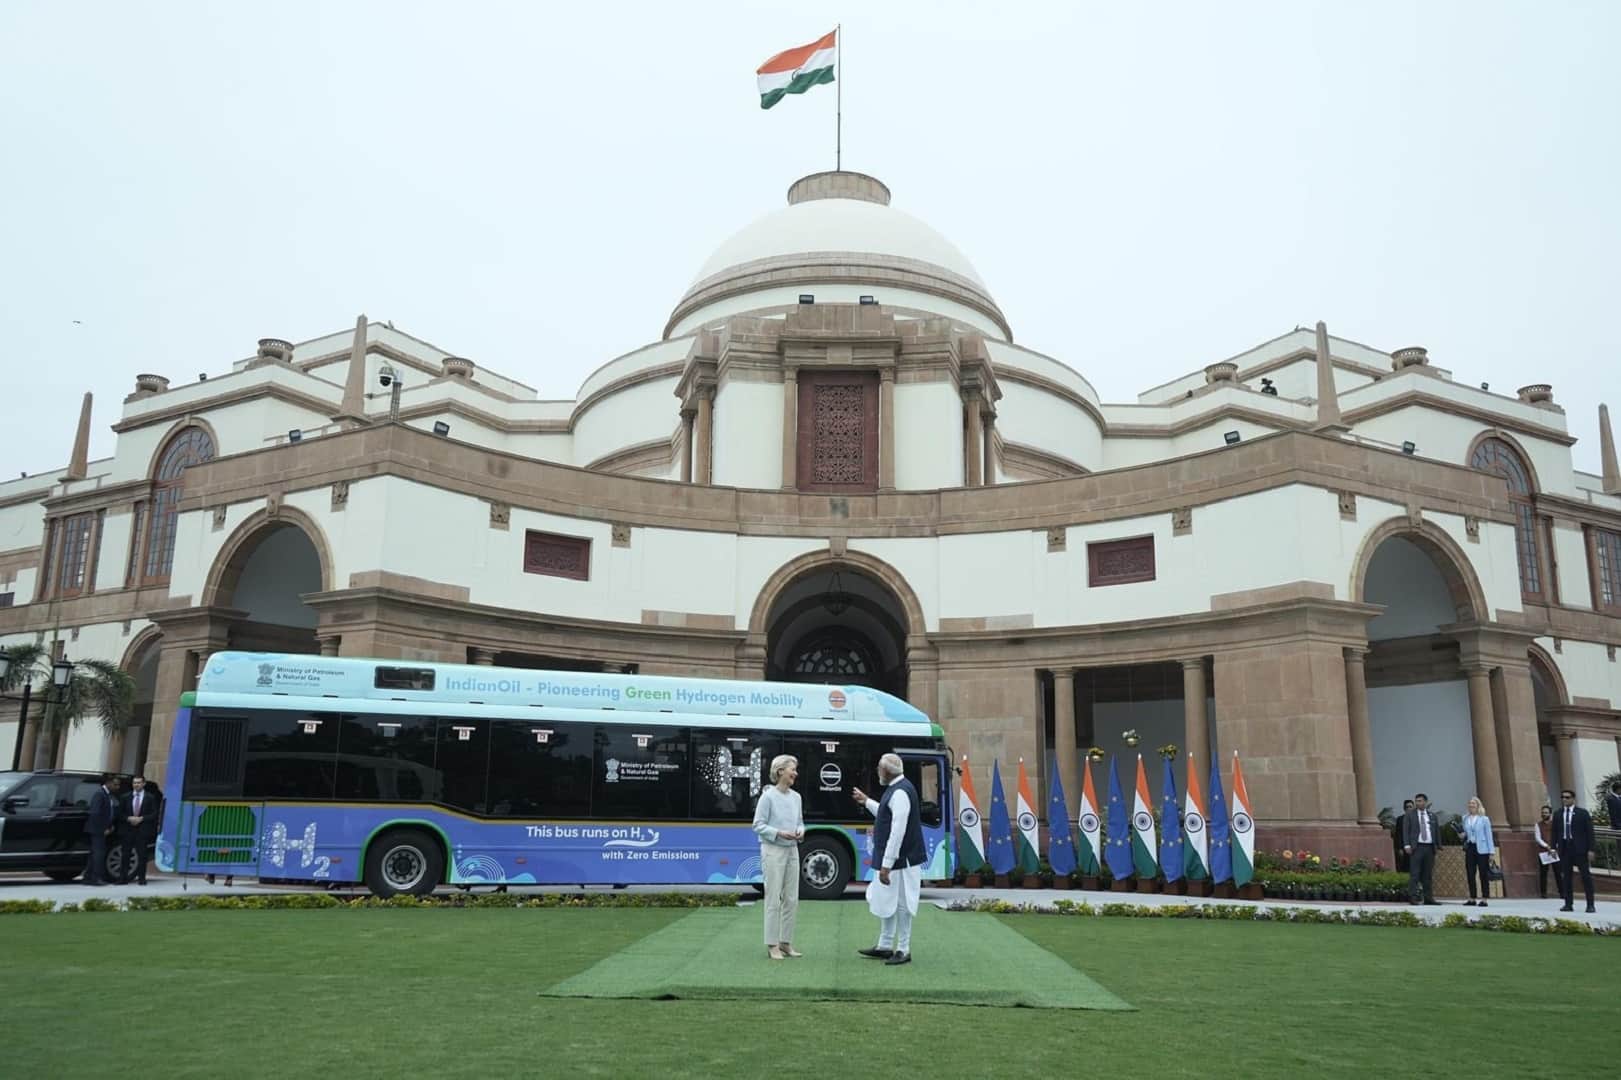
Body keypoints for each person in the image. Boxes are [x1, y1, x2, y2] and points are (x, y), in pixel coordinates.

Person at [851, 753, 923, 966]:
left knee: (901, 904)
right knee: (888, 901)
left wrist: (886, 865)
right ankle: (885, 945)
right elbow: (886, 815)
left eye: (879, 769)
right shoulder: (897, 789)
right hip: (894, 860)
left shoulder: (900, 792)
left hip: (901, 861)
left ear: (886, 771)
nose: (877, 772)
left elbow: (897, 831)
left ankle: (903, 949)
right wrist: (867, 802)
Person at [752, 754, 805, 961]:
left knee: (791, 898)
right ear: (780, 771)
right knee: (773, 897)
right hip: (772, 850)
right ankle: (772, 944)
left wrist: (801, 831)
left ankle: (786, 942)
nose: (795, 773)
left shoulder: (796, 797)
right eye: (793, 769)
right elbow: (758, 825)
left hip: (792, 849)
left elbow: (800, 821)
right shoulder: (768, 797)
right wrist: (778, 833)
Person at [1552, 788, 1595, 913]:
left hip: (1580, 848)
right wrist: (1553, 847)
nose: (1564, 799)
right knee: (1566, 877)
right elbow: (1554, 832)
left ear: (1573, 799)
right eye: (1563, 797)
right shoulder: (1558, 814)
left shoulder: (1582, 813)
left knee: (1585, 876)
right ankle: (1568, 903)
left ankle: (1590, 904)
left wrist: (1591, 849)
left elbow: (1589, 832)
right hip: (1565, 847)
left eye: (1567, 797)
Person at [117, 774, 160, 885]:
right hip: (128, 829)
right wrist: (128, 818)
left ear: (143, 784)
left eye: (139, 783)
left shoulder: (150, 797)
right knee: (125, 854)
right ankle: (123, 878)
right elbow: (119, 813)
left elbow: (154, 814)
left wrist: (142, 818)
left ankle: (142, 878)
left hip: (142, 830)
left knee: (142, 855)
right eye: (134, 783)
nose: (136, 785)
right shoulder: (125, 797)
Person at [1401, 793, 1441, 905]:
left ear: (1426, 802)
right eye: (1417, 801)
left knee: (1427, 874)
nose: (1418, 803)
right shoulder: (1410, 815)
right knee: (1415, 873)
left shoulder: (1432, 815)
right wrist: (1407, 845)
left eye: (1420, 801)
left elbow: (1436, 830)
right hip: (1416, 847)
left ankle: (1428, 898)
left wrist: (1438, 845)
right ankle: (1413, 897)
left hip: (1429, 847)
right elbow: (1406, 830)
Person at [1459, 796, 1495, 907]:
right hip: (1470, 847)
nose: (1471, 805)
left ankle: (1484, 898)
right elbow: (1464, 834)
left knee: (1483, 874)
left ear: (1478, 805)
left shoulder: (1484, 819)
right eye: (1470, 803)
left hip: (1482, 849)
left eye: (1473, 803)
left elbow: (1489, 836)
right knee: (1470, 873)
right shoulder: (1465, 818)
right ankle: (1472, 898)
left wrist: (1491, 852)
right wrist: (1461, 835)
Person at [83, 774, 118, 886]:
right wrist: (103, 829)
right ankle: (95, 878)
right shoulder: (100, 794)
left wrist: (110, 825)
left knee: (95, 854)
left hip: (102, 829)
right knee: (98, 854)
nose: (117, 787)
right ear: (108, 783)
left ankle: (88, 877)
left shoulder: (107, 795)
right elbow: (95, 813)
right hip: (98, 830)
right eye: (115, 784)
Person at [1534, 804, 1557, 899]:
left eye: (1546, 813)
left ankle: (1562, 891)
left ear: (1550, 814)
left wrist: (1553, 847)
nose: (1544, 814)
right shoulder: (1538, 825)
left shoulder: (1555, 824)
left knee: (1558, 872)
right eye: (1543, 813)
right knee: (1543, 873)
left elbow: (1557, 836)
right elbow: (1537, 838)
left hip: (1555, 851)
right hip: (1543, 851)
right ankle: (1543, 892)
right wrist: (1546, 846)